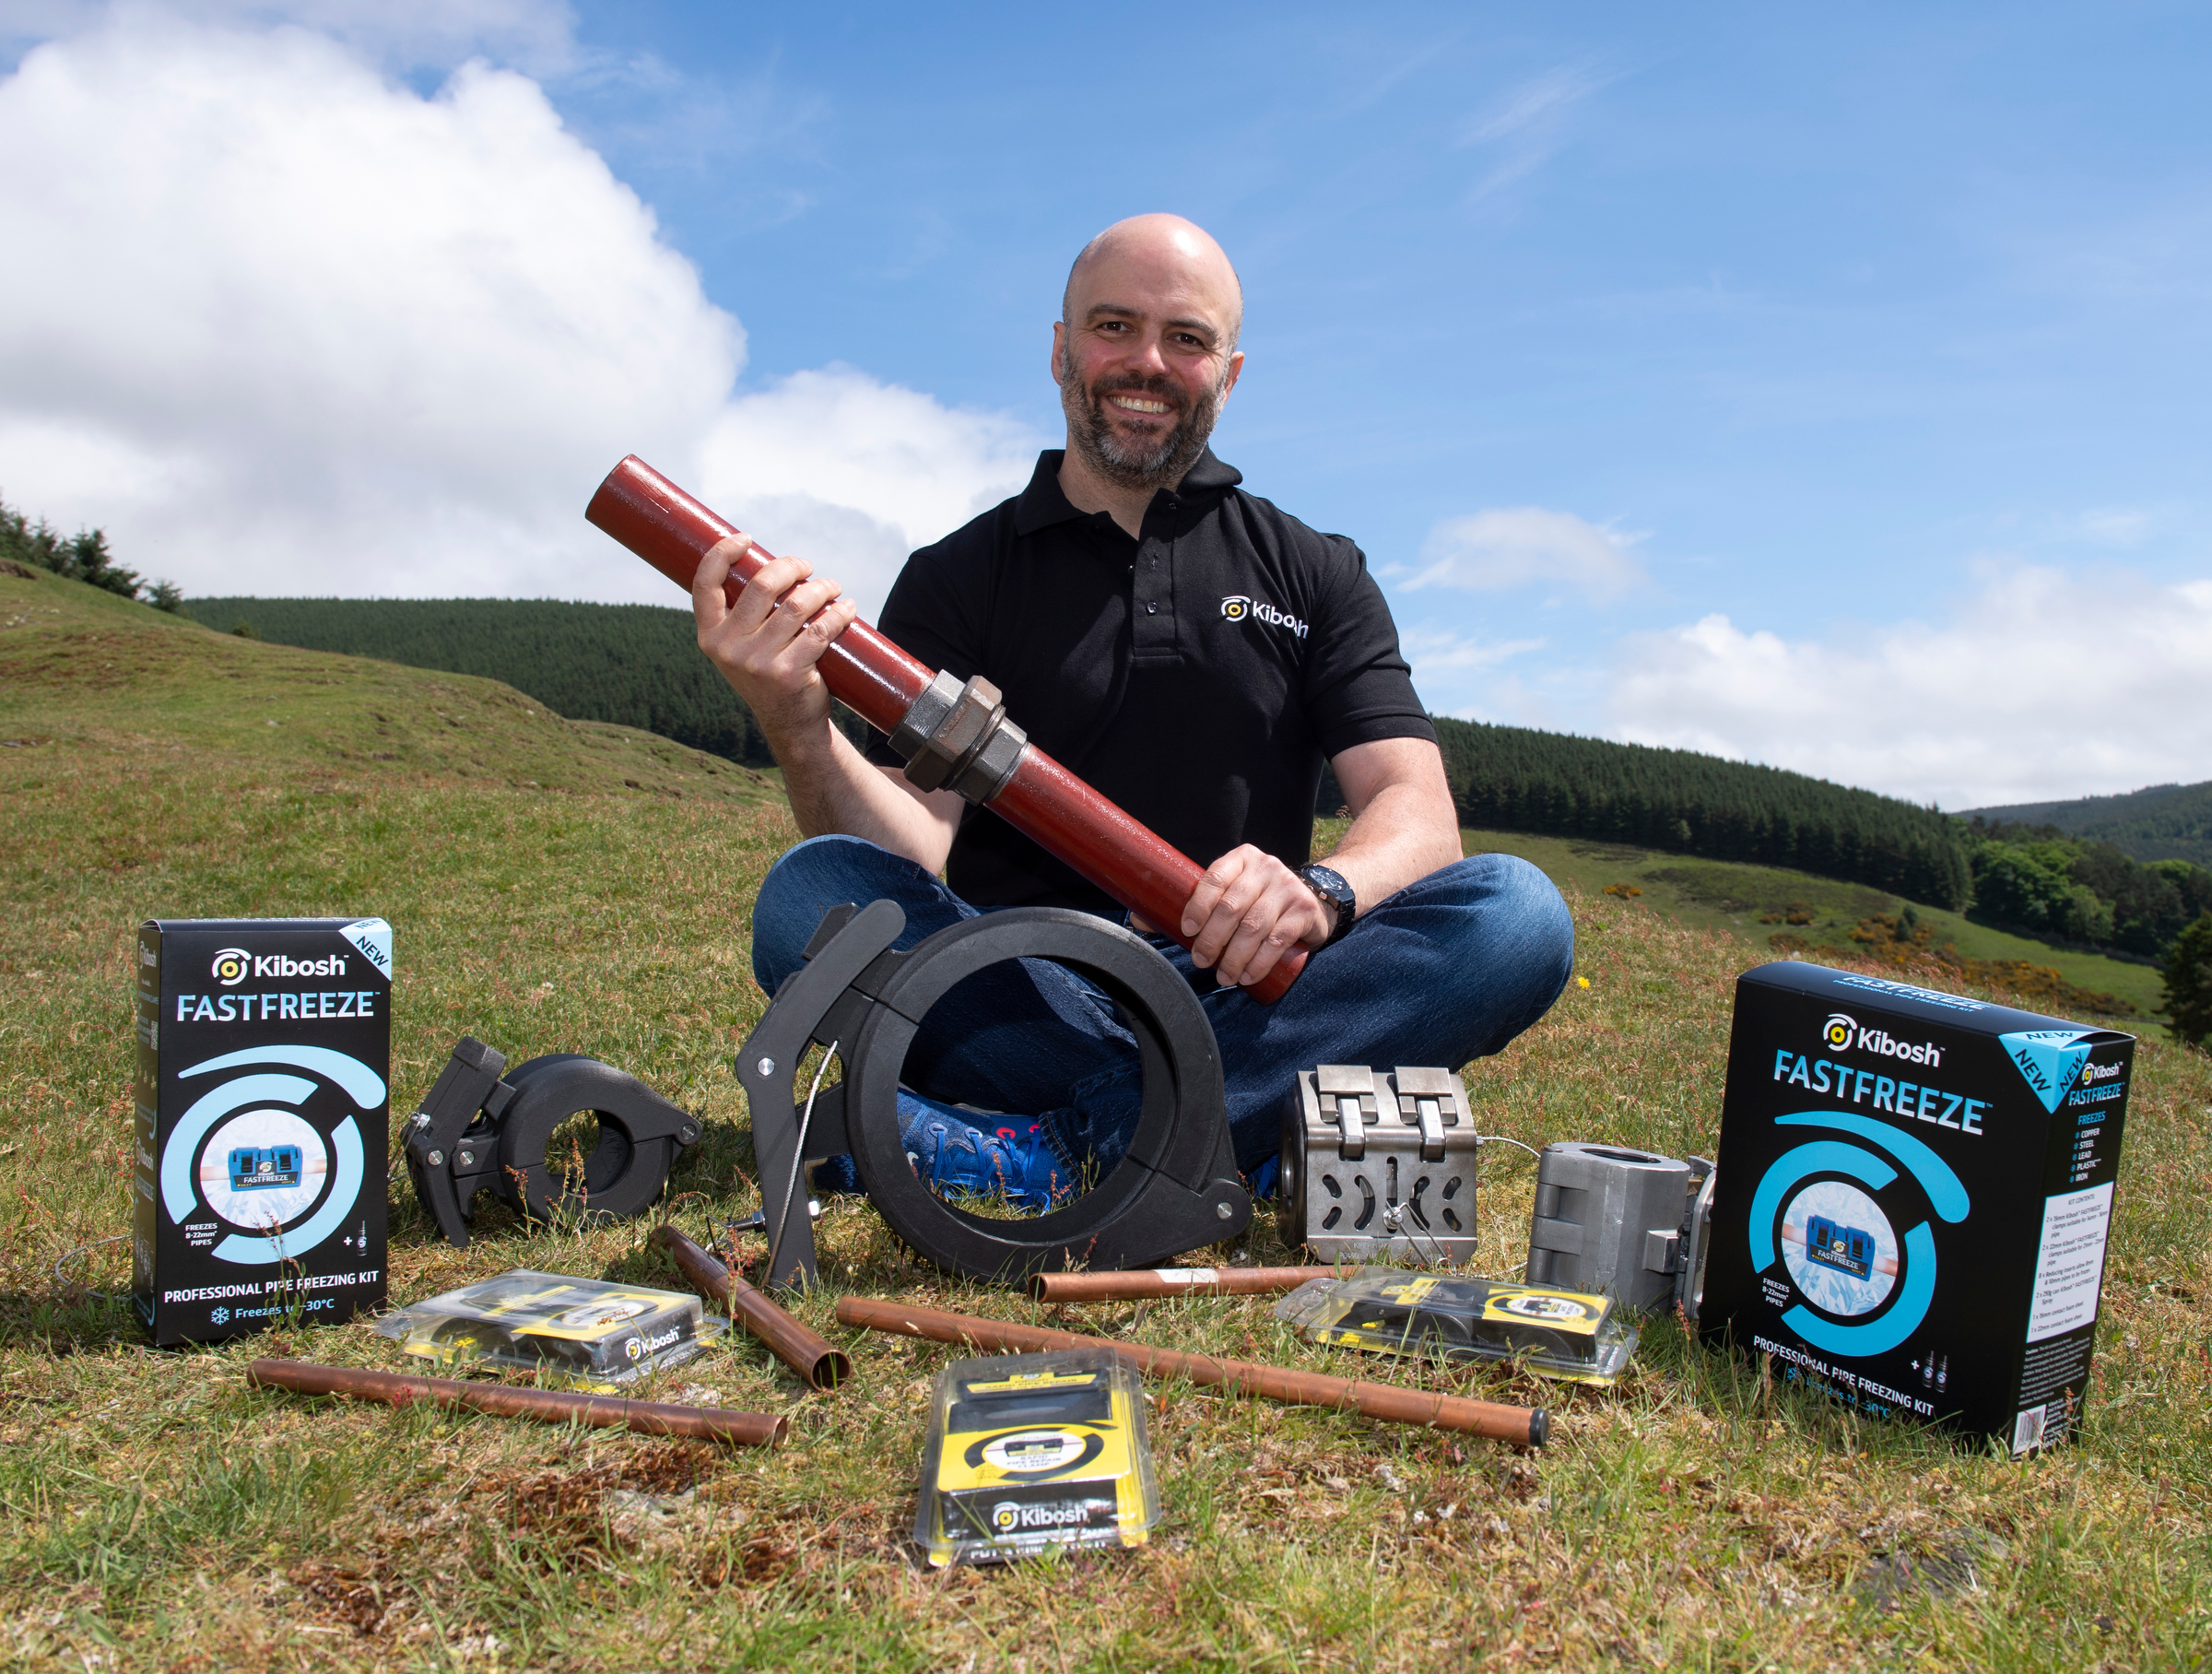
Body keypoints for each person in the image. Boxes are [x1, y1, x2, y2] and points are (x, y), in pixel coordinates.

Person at [693, 213, 1573, 1208]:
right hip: (1026, 992)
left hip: (1256, 994)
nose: (1147, 362)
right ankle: (1223, 1128)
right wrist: (797, 724)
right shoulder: (958, 579)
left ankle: (1070, 1142)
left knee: (1517, 916)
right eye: (1114, 326)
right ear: (1061, 349)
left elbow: (1419, 812)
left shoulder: (1317, 570)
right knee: (815, 899)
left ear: (1229, 373)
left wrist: (1320, 892)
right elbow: (908, 850)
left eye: (1186, 339)